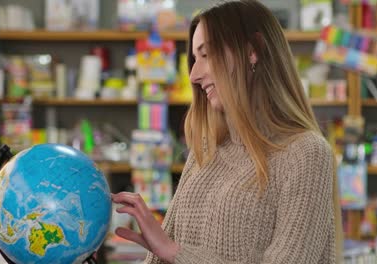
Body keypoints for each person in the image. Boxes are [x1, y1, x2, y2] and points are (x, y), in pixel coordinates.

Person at [111, 0, 343, 263]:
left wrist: (175, 252)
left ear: (252, 51)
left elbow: (171, 252)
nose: (193, 76)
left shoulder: (306, 154)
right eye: (194, 60)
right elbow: (161, 256)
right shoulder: (205, 151)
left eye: (206, 55)